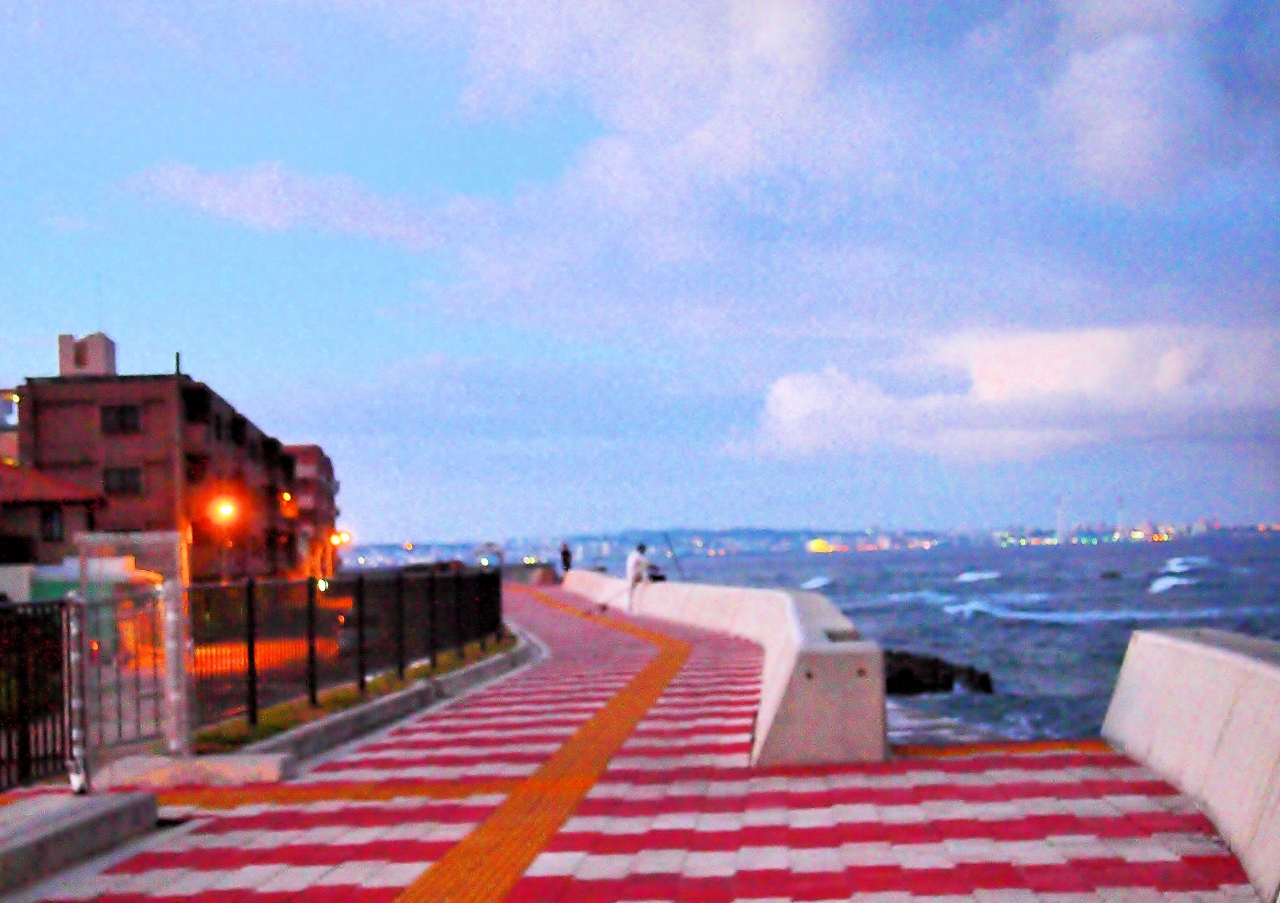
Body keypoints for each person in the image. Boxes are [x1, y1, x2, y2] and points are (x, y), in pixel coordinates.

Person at [625, 543, 651, 611]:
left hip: (630, 575)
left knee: (631, 591)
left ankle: (629, 606)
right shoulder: (639, 557)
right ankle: (632, 607)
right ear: (641, 549)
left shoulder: (632, 555)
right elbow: (647, 564)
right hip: (636, 576)